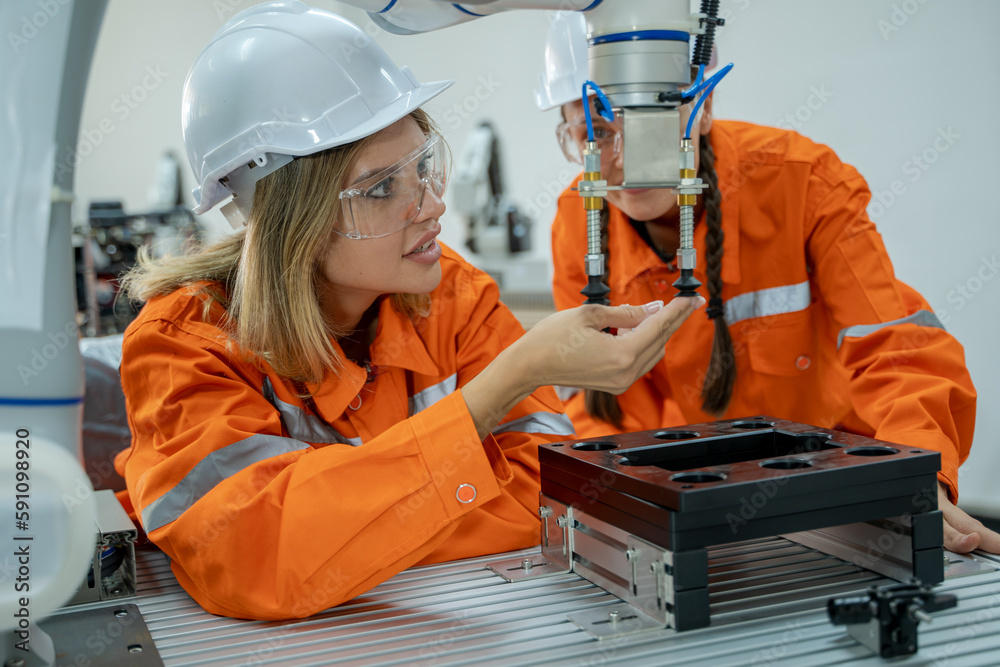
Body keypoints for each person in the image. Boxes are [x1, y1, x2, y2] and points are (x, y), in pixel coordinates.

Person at [112, 3, 701, 621]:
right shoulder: (182, 345)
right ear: (292, 218)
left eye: (424, 166)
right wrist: (501, 389)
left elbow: (546, 500)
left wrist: (347, 525)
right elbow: (249, 559)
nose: (433, 204)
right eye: (379, 188)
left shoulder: (454, 296)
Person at [538, 12, 999, 554]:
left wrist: (912, 477)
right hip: (714, 509)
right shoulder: (577, 221)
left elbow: (898, 348)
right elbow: (602, 404)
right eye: (597, 134)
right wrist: (632, 504)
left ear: (700, 106)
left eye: (648, 130)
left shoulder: (803, 180)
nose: (624, 162)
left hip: (851, 501)